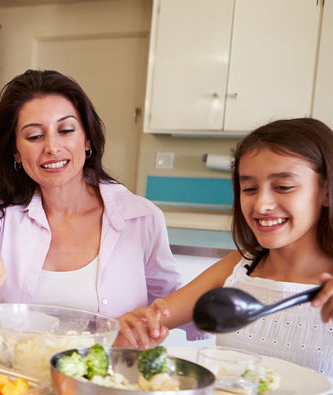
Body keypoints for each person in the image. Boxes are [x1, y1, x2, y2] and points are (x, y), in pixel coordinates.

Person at [0, 70, 185, 319]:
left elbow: (168, 305)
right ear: (15, 152)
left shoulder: (140, 218)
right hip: (20, 365)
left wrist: (146, 324)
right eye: (35, 136)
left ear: (87, 139)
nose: (52, 147)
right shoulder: (4, 213)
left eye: (66, 130)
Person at [116, 118, 333, 376]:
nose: (262, 205)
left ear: (326, 191)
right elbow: (150, 321)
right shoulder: (238, 267)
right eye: (249, 188)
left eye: (283, 187)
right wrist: (134, 328)